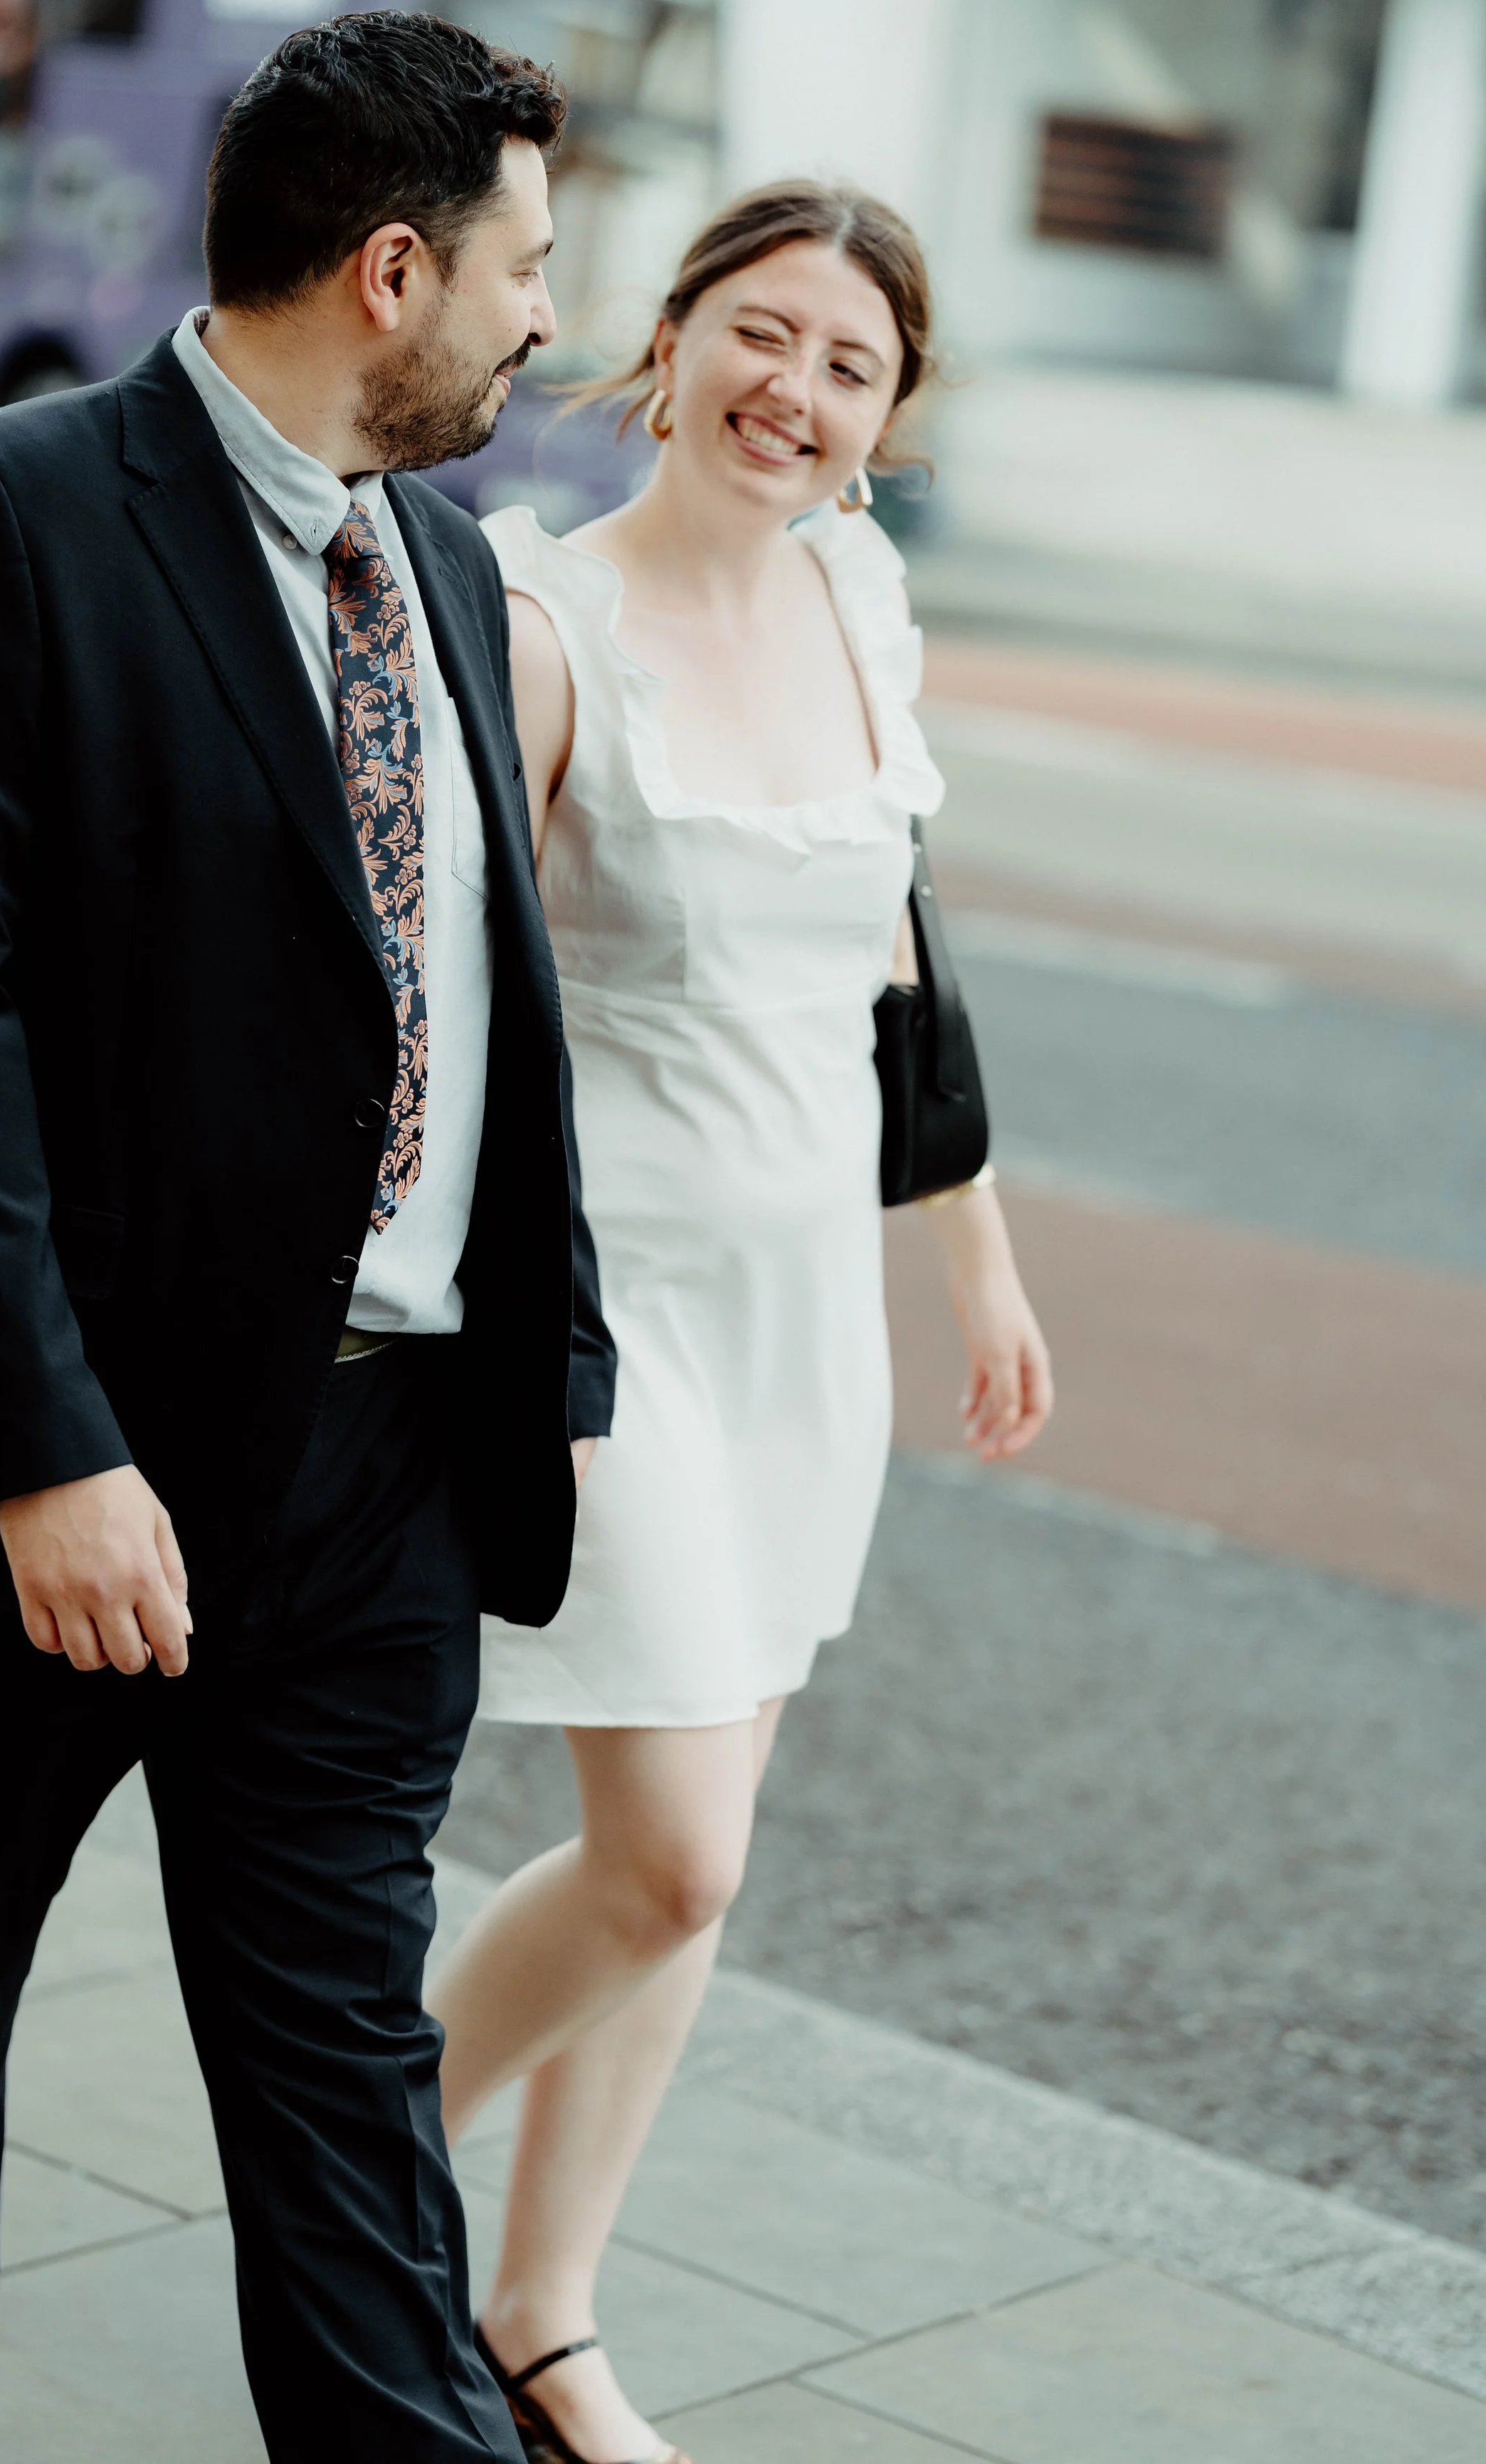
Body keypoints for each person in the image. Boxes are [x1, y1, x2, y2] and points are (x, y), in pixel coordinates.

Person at [0, 11, 616, 2464]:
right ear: (395, 267)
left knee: (338, 2051)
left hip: (376, 1472)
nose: (555, 319)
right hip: (40, 1469)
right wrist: (43, 1450)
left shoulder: (435, 543)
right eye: (530, 267)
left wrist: (545, 1372)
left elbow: (466, 994)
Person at [430, 183, 1054, 2464]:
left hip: (812, 1317)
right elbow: (434, 1010)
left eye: (851, 364)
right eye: (760, 333)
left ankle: (545, 2311)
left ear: (887, 420)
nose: (794, 391)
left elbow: (896, 974)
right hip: (619, 1318)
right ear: (670, 338)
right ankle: (357, 2181)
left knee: (698, 1851)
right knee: (666, 1847)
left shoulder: (857, 595)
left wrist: (976, 1256)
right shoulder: (538, 616)